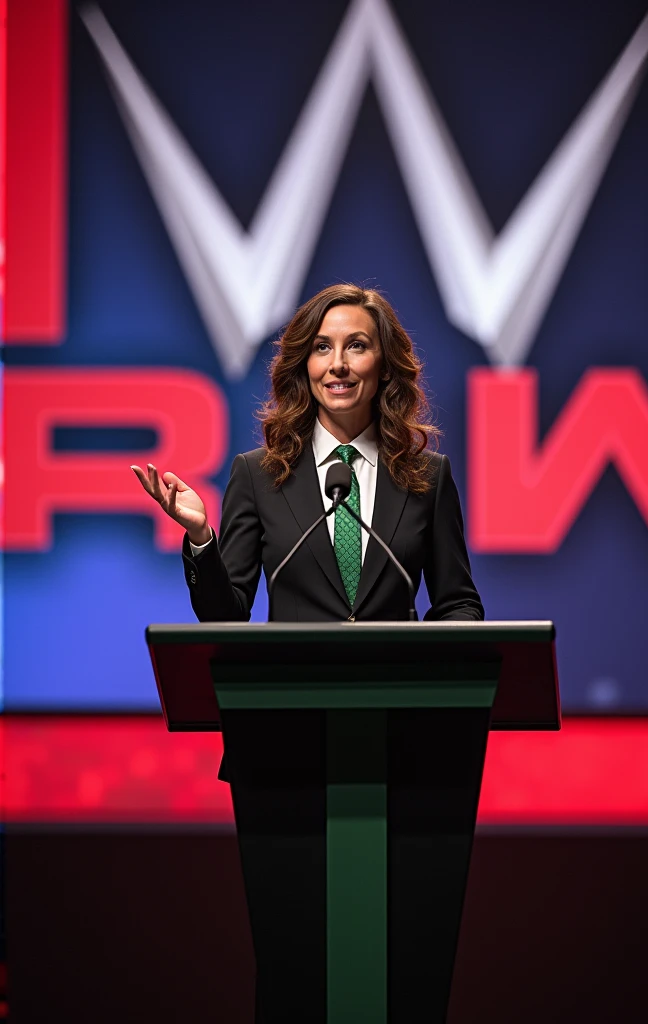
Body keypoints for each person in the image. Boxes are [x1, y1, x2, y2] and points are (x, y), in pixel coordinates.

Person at [132, 284, 484, 1023]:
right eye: (323, 347)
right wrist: (199, 537)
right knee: (296, 969)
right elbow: (224, 609)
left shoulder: (429, 478)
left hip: (408, 752)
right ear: (302, 366)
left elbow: (456, 601)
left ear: (385, 367)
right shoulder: (259, 476)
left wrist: (455, 652)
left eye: (356, 345)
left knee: (403, 970)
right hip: (282, 750)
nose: (339, 363)